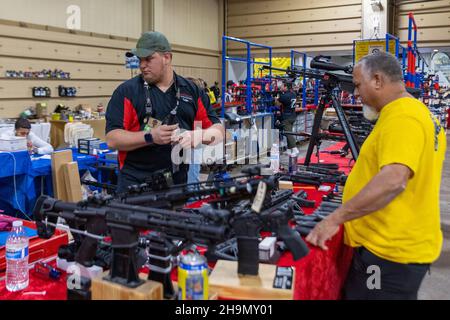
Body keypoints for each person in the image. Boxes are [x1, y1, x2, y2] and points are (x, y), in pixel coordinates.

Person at [305, 52, 447, 300]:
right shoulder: (417, 112)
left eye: (358, 85)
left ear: (378, 80)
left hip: (388, 254)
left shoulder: (403, 117)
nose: (356, 93)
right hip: (402, 245)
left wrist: (335, 219)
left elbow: (394, 180)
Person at [105, 31, 224, 193]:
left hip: (176, 186)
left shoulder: (191, 91)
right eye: (140, 60)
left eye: (148, 59)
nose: (142, 65)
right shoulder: (127, 92)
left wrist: (197, 135)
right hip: (135, 187)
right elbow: (112, 139)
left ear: (167, 57)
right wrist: (150, 136)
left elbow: (218, 131)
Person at [275, 82, 299, 156]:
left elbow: (277, 104)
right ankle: (289, 150)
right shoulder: (293, 94)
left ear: (286, 87)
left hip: (287, 117)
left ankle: (295, 149)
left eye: (282, 86)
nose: (280, 87)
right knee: (289, 132)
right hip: (293, 116)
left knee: (288, 133)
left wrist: (276, 99)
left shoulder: (284, 96)